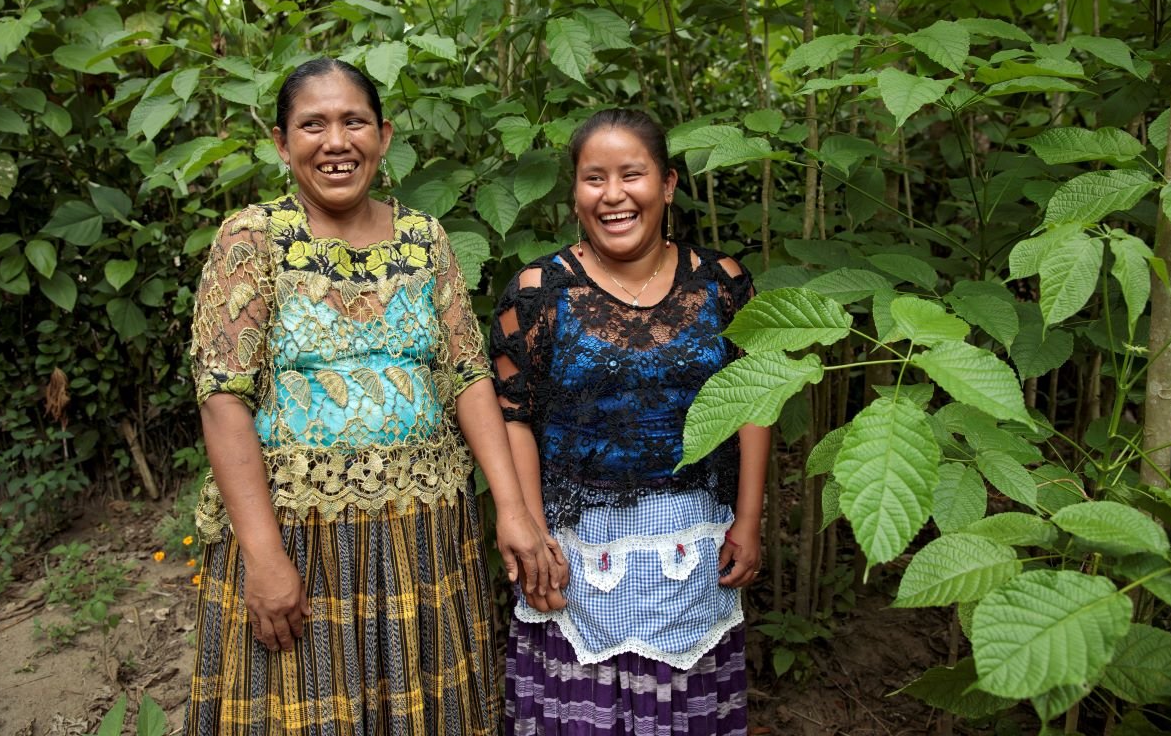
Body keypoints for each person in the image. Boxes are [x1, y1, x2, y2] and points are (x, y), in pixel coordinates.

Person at [184, 57, 554, 735]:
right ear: (280, 141)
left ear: (383, 137)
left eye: (353, 121)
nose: (335, 142)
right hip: (298, 534)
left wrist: (513, 509)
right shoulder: (253, 239)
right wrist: (264, 557)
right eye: (312, 125)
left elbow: (467, 374)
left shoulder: (424, 239)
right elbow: (222, 399)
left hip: (423, 534)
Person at [491, 108, 769, 735]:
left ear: (667, 184)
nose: (613, 195)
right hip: (577, 554)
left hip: (694, 551)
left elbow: (754, 399)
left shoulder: (722, 284)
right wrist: (533, 534)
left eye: (631, 175)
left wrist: (749, 520)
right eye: (594, 178)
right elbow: (515, 416)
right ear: (574, 193)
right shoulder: (537, 292)